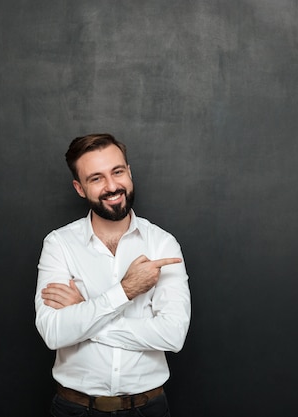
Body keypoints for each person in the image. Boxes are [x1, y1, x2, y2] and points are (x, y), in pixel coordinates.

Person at [35, 133, 191, 417]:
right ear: (79, 188)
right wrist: (126, 290)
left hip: (148, 409)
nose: (112, 186)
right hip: (75, 409)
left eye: (117, 172)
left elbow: (173, 335)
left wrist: (84, 315)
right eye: (96, 178)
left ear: (129, 172)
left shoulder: (162, 243)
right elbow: (53, 333)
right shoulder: (59, 244)